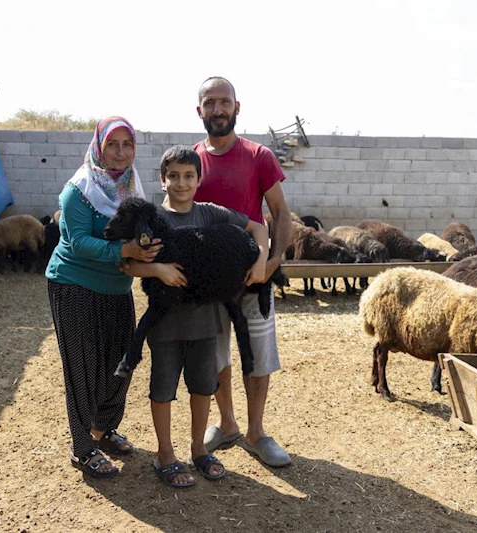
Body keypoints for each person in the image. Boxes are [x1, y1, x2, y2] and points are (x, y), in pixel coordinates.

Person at [122, 145, 268, 488]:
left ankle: (199, 448)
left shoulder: (211, 214)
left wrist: (261, 259)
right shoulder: (153, 220)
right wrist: (157, 269)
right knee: (163, 388)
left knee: (203, 387)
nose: (181, 183)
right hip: (165, 325)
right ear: (162, 181)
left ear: (199, 180)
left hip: (206, 324)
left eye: (189, 176)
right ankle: (165, 454)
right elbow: (128, 263)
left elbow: (257, 228)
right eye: (173, 176)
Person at [45, 116, 162, 478]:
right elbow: (78, 242)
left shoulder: (133, 187)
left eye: (127, 145)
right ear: (99, 146)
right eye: (113, 144)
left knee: (120, 364)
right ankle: (83, 448)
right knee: (84, 369)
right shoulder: (78, 189)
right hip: (75, 286)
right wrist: (125, 249)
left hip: (116, 288)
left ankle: (105, 428)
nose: (120, 152)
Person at [193, 76, 293, 467]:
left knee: (258, 357)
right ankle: (228, 423)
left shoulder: (258, 156)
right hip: (210, 284)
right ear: (198, 110)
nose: (218, 109)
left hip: (254, 279)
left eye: (224, 102)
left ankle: (256, 432)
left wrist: (271, 263)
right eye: (210, 102)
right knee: (216, 355)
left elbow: (281, 213)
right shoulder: (189, 162)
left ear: (237, 107)